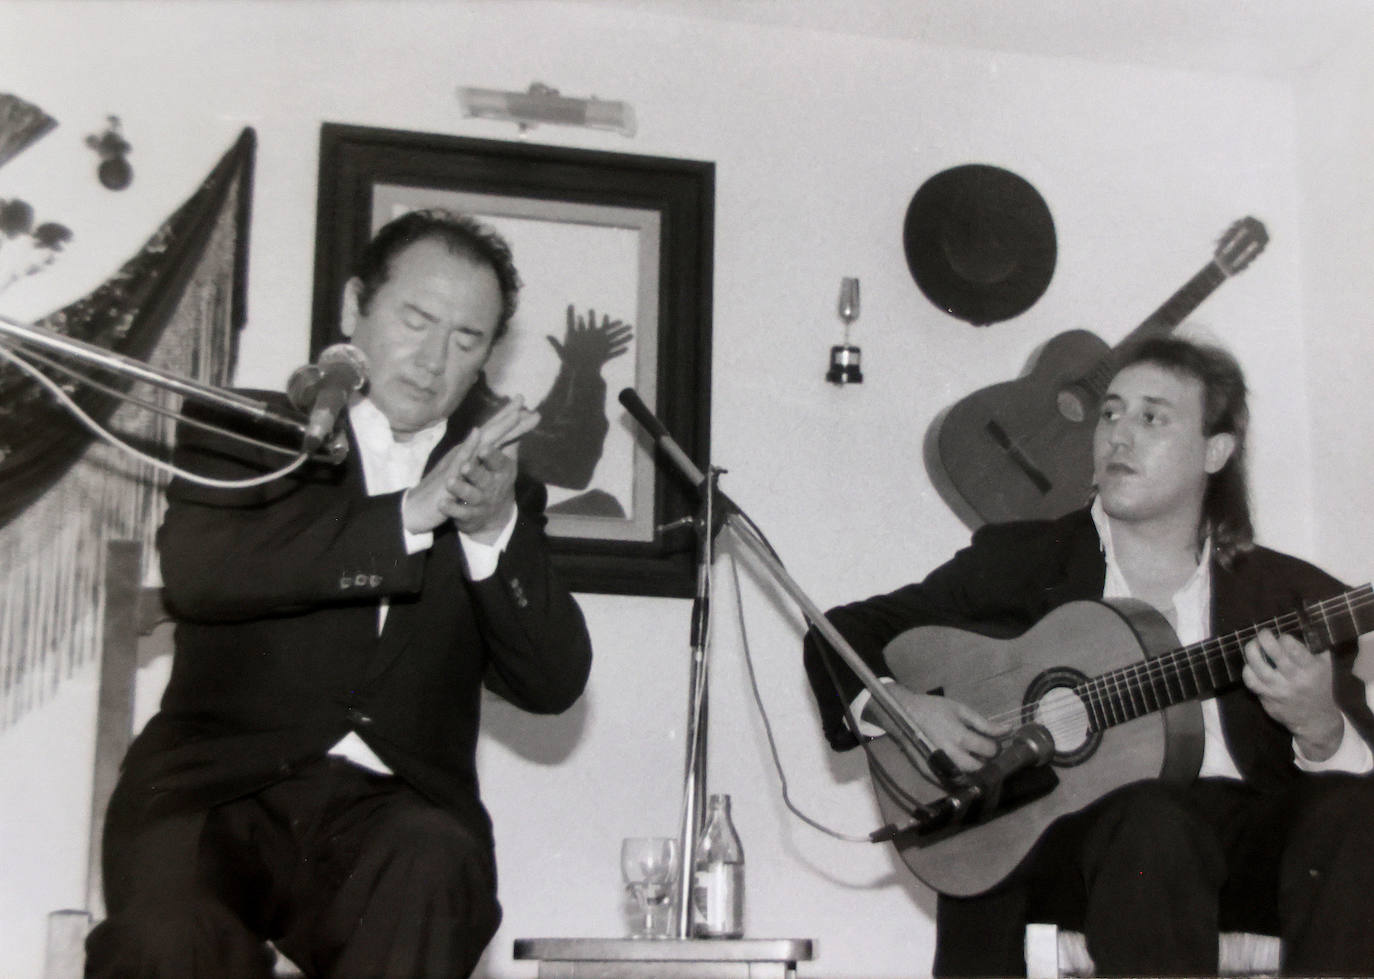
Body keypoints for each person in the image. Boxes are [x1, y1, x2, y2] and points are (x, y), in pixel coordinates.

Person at [86, 208, 594, 978]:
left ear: (490, 353)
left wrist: (492, 531)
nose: (432, 359)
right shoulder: (253, 426)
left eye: (466, 340)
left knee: (435, 864)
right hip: (214, 792)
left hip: (391, 818)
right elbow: (200, 570)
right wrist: (410, 516)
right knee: (170, 938)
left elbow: (553, 682)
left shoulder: (499, 485)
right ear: (357, 303)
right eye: (415, 319)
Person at [803, 335, 1374, 977]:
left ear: (1215, 451)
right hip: (1071, 861)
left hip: (1246, 860)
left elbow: (1350, 781)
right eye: (1111, 413)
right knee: (1153, 819)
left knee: (1356, 814)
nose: (1118, 436)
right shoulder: (1026, 561)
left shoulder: (1293, 596)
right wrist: (904, 710)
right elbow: (839, 632)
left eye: (1152, 417)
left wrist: (1320, 727)